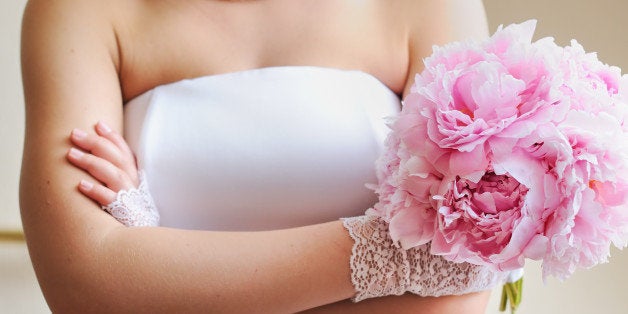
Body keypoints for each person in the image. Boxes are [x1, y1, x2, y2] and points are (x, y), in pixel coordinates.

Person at [19, 0, 504, 312]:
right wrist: (397, 256)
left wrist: (156, 270)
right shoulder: (78, 9)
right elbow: (86, 285)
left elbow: (461, 279)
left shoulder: (429, 5)